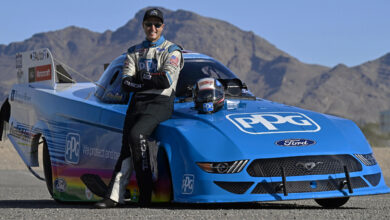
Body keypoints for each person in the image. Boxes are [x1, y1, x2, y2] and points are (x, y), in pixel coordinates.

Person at [95, 8, 184, 208]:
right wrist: (146, 81)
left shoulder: (173, 51)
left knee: (137, 135)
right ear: (143, 26)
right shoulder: (134, 51)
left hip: (161, 103)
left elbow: (166, 80)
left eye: (157, 24)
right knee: (126, 147)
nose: (153, 28)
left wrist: (143, 79)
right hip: (136, 103)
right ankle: (113, 197)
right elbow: (125, 83)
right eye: (148, 24)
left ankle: (146, 195)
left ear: (163, 27)